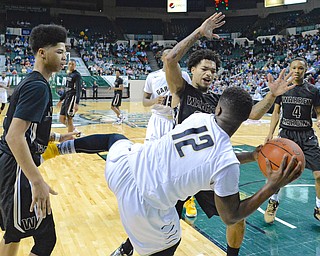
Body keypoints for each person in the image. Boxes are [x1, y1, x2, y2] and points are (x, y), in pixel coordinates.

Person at [113, 12, 296, 256]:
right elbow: (169, 59)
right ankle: (128, 247)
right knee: (158, 220)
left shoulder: (218, 101)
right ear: (192, 69)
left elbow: (251, 114)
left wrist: (271, 96)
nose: (210, 73)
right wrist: (199, 32)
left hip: (207, 171)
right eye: (205, 68)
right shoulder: (182, 90)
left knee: (234, 218)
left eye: (214, 70)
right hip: (177, 169)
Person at [43, 87, 303, 256]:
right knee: (169, 243)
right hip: (143, 205)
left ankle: (59, 149)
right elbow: (231, 216)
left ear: (219, 109)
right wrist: (271, 186)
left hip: (123, 168)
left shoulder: (198, 118)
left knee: (115, 138)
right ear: (246, 118)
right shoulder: (226, 164)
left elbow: (206, 157)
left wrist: (252, 155)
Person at [0, 24, 67, 256]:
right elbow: (14, 136)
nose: (64, 57)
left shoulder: (34, 82)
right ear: (42, 53)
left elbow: (27, 131)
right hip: (17, 171)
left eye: (65, 52)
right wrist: (37, 181)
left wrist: (57, 136)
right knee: (45, 239)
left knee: (14, 232)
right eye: (59, 51)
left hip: (12, 168)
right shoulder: (37, 86)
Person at [264, 57, 320, 223]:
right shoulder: (283, 88)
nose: (297, 71)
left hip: (307, 135)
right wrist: (270, 132)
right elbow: (276, 112)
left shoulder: (313, 90)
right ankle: (273, 202)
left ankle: (318, 207)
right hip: (286, 135)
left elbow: (318, 110)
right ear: (290, 69)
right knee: (279, 173)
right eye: (294, 68)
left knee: (318, 174)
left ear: (305, 70)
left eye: (300, 68)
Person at [143, 47, 191, 142]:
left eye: (174, 55)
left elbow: (190, 97)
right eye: (167, 55)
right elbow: (144, 101)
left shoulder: (184, 75)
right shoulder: (152, 77)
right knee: (152, 151)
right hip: (158, 119)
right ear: (162, 58)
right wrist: (154, 100)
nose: (171, 57)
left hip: (177, 119)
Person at [57, 59, 82, 133]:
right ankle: (74, 130)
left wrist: (76, 103)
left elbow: (78, 89)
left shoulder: (77, 75)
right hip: (67, 97)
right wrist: (61, 99)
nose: (71, 65)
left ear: (75, 66)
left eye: (72, 64)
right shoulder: (68, 74)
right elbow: (66, 89)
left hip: (72, 97)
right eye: (69, 64)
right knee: (61, 119)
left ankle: (70, 137)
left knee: (69, 118)